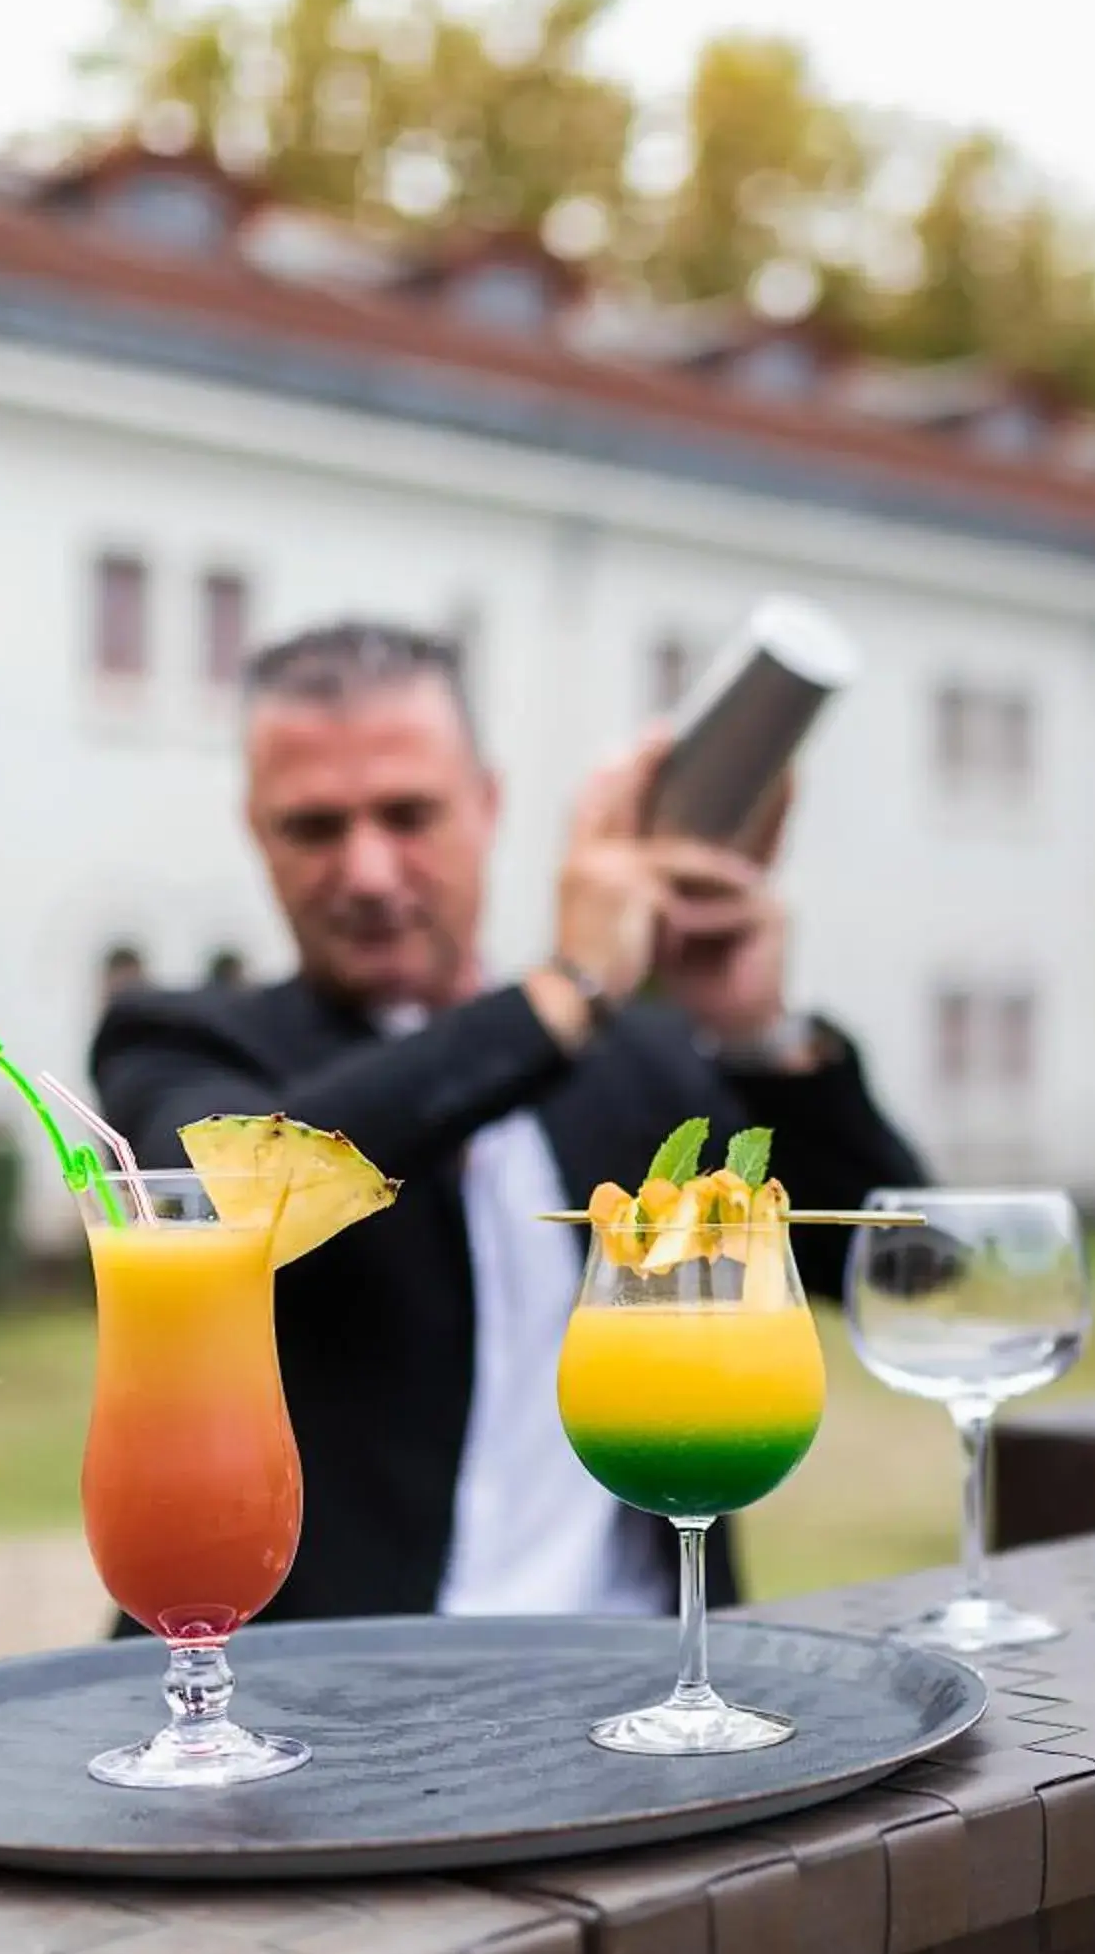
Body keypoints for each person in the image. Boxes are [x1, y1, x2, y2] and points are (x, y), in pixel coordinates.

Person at [91, 622, 924, 1624]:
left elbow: (914, 1277)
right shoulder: (184, 1041)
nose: (365, 870)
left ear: (488, 803)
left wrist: (755, 1028)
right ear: (255, 830)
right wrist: (563, 992)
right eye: (314, 827)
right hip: (329, 1702)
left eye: (407, 814)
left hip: (635, 1685)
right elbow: (223, 1194)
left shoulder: (646, 1058)